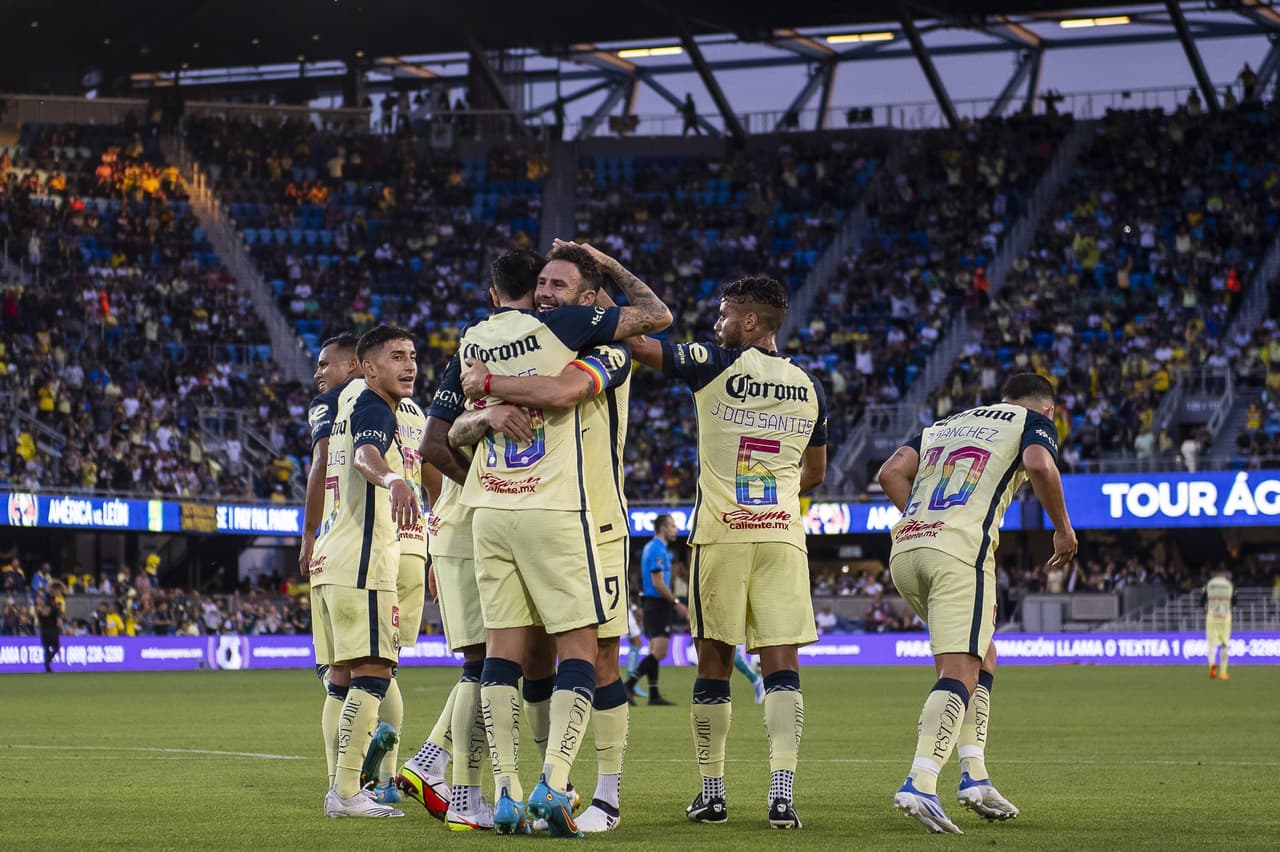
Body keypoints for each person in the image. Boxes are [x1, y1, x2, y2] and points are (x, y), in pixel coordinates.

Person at [438, 245, 671, 836]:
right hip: (540, 512)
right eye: (540, 283)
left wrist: (490, 388)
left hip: (596, 519)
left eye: (559, 284)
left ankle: (605, 795)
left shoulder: (606, 349)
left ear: (591, 300)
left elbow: (566, 388)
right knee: (535, 659)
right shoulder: (539, 335)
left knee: (602, 662)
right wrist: (488, 413)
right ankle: (545, 785)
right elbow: (445, 436)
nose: (544, 293)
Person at [631, 275, 828, 830]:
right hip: (783, 537)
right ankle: (782, 796)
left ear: (748, 322)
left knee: (714, 662)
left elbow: (639, 344)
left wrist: (601, 305)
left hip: (722, 535)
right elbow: (815, 471)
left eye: (723, 316)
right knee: (781, 665)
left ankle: (713, 794)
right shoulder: (808, 384)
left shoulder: (715, 362)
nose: (716, 326)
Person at [876, 372, 1077, 834]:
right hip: (958, 552)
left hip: (906, 549)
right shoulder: (1033, 420)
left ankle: (975, 776)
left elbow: (889, 472)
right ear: (1048, 409)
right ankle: (921, 781)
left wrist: (926, 521)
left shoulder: (948, 423)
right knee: (960, 669)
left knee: (983, 654)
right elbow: (1041, 466)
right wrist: (1063, 528)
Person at [403, 252, 548, 831]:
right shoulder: (510, 351)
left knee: (491, 660)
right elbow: (432, 449)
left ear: (492, 294)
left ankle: (430, 762)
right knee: (485, 664)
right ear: (537, 294)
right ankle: (463, 797)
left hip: (470, 523)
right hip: (477, 522)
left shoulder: (472, 353)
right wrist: (486, 484)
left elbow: (435, 446)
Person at [308, 325, 420, 819]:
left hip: (331, 558)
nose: (410, 365)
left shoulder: (346, 403)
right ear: (369, 366)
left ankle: (344, 786)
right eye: (397, 356)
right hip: (363, 563)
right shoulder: (375, 406)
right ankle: (350, 791)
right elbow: (364, 456)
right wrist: (394, 478)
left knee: (343, 678)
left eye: (413, 355)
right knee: (374, 672)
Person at [626, 513, 684, 706]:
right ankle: (628, 685)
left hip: (652, 604)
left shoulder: (652, 547)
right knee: (660, 652)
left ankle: (654, 695)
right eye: (673, 526)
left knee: (654, 651)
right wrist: (676, 603)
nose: (675, 530)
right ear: (663, 528)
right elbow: (658, 583)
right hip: (658, 605)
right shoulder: (658, 550)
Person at [1202, 569, 1236, 681]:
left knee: (1211, 646)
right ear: (1225, 574)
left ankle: (1212, 671)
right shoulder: (1230, 584)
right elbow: (1235, 601)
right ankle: (1223, 673)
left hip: (1212, 617)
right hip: (1225, 618)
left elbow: (1201, 601)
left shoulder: (1209, 584)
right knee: (1224, 645)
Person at [35, 588, 62, 673]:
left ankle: (47, 667)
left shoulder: (40, 610)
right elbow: (58, 620)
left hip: (44, 631)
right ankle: (48, 662)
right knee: (56, 647)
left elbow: (39, 621)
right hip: (52, 630)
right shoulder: (55, 609)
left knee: (46, 648)